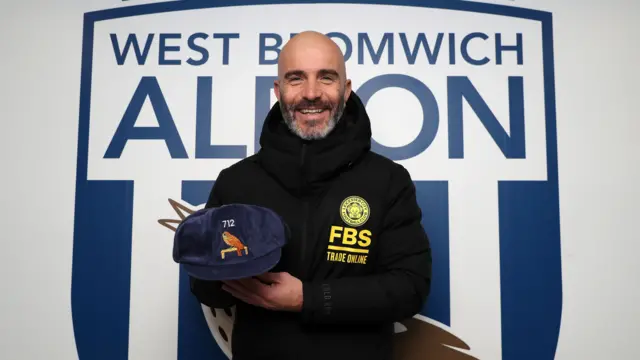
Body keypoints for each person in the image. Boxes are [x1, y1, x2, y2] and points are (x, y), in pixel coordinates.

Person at [189, 30, 432, 360]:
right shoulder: (238, 182)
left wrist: (309, 298)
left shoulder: (387, 180)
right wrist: (211, 260)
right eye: (296, 78)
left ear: (345, 90)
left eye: (326, 78)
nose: (312, 93)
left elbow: (410, 289)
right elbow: (210, 293)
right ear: (278, 91)